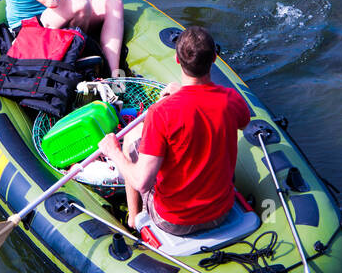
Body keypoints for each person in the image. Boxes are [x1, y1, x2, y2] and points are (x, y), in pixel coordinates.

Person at [100, 26, 251, 235]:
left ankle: (134, 220)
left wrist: (113, 151)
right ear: (214, 59)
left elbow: (141, 183)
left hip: (174, 222)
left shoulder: (160, 113)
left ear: (177, 60)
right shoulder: (231, 99)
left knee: (132, 136)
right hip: (220, 213)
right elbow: (242, 123)